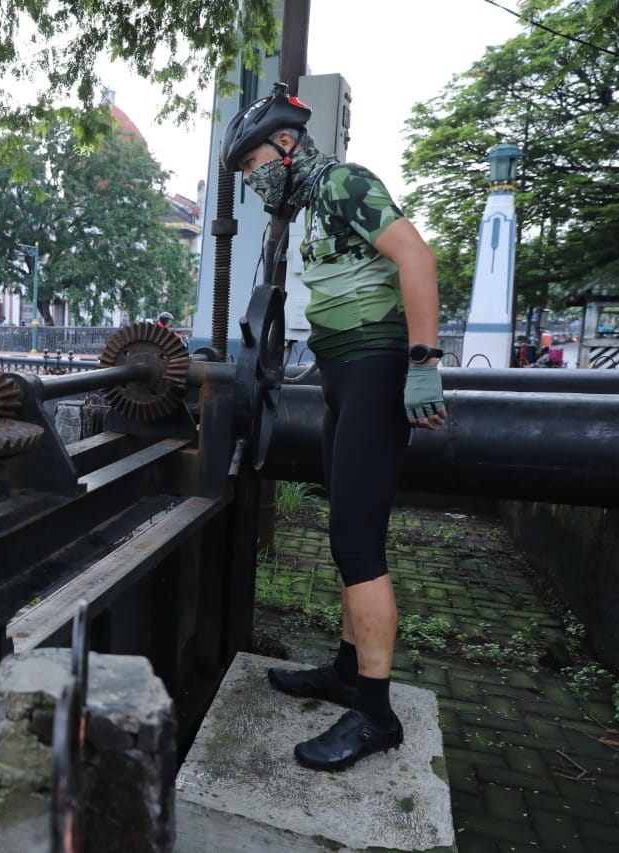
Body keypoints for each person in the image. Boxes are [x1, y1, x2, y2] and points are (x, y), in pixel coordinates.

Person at [221, 83, 448, 772]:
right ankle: (349, 670)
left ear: (286, 146)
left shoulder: (346, 183)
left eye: (255, 164)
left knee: (356, 540)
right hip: (343, 379)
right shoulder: (315, 204)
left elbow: (417, 257)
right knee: (349, 530)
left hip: (376, 373)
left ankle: (375, 714)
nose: (255, 181)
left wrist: (423, 364)